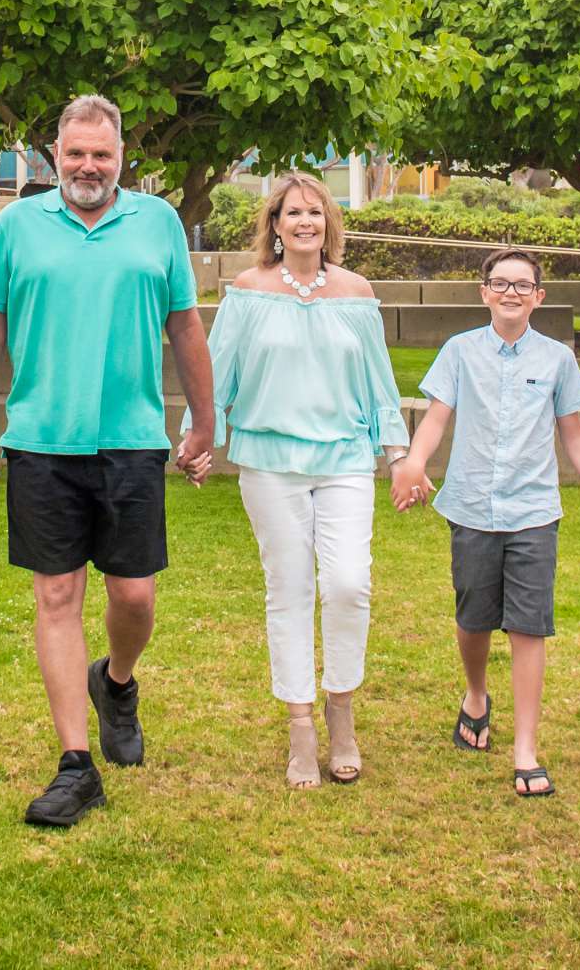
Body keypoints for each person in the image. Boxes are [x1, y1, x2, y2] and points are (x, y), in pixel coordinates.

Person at [0, 92, 217, 828]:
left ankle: (118, 682)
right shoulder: (18, 228)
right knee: (57, 598)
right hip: (40, 442)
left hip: (132, 440)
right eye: (75, 154)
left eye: (102, 154)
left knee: (133, 598)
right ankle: (76, 765)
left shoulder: (158, 223)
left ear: (122, 157)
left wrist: (203, 422)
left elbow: (186, 327)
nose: (88, 166)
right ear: (55, 155)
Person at [192, 171, 406, 787]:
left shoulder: (357, 292)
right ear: (276, 226)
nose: (305, 221)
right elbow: (218, 373)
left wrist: (397, 456)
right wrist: (201, 437)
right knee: (287, 588)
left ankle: (342, 709)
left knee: (346, 583)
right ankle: (301, 727)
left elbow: (378, 383)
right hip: (269, 463)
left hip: (344, 461)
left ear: (329, 223)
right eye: (293, 213)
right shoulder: (249, 290)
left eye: (316, 211)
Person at [390, 248, 580, 799]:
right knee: (472, 618)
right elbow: (436, 418)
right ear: (484, 293)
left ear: (538, 297)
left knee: (528, 625)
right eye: (501, 283)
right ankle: (475, 696)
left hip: (533, 513)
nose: (512, 293)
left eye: (523, 285)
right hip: (470, 507)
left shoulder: (557, 360)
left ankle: (525, 748)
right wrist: (414, 463)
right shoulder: (459, 351)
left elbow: (575, 436)